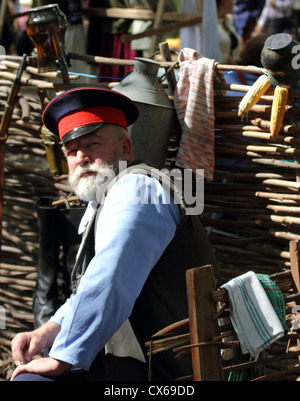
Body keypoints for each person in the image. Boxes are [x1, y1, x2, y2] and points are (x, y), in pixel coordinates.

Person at [10, 87, 219, 381]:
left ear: (125, 149)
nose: (81, 157)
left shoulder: (137, 191)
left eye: (92, 143)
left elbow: (109, 278)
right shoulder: (106, 198)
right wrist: (48, 332)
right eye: (71, 150)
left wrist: (61, 357)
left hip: (170, 374)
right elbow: (91, 287)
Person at [217, 0, 242, 64]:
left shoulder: (227, 21)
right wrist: (226, 58)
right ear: (224, 1)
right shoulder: (211, 25)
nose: (233, 4)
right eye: (232, 0)